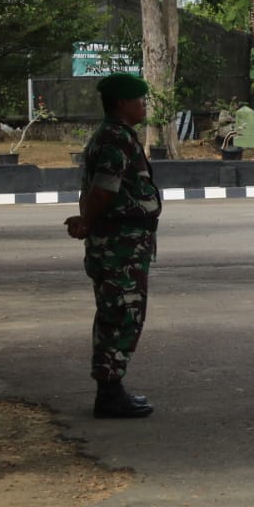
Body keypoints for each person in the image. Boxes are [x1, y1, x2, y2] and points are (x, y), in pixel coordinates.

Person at [65, 73, 161, 419]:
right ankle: (109, 392)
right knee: (120, 314)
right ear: (122, 103)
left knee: (117, 312)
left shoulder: (115, 135)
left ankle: (111, 387)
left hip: (121, 242)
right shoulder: (115, 138)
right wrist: (87, 221)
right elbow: (105, 188)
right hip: (119, 245)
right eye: (140, 100)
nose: (143, 106)